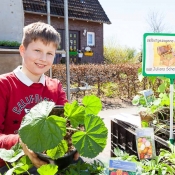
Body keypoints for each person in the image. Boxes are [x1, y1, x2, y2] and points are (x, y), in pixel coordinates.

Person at [0, 22, 80, 174]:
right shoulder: (4, 85)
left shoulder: (55, 86)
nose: (43, 58)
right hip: (12, 166)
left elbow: (69, 125)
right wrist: (22, 143)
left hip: (50, 162)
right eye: (37, 50)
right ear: (22, 50)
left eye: (50, 53)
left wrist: (79, 139)